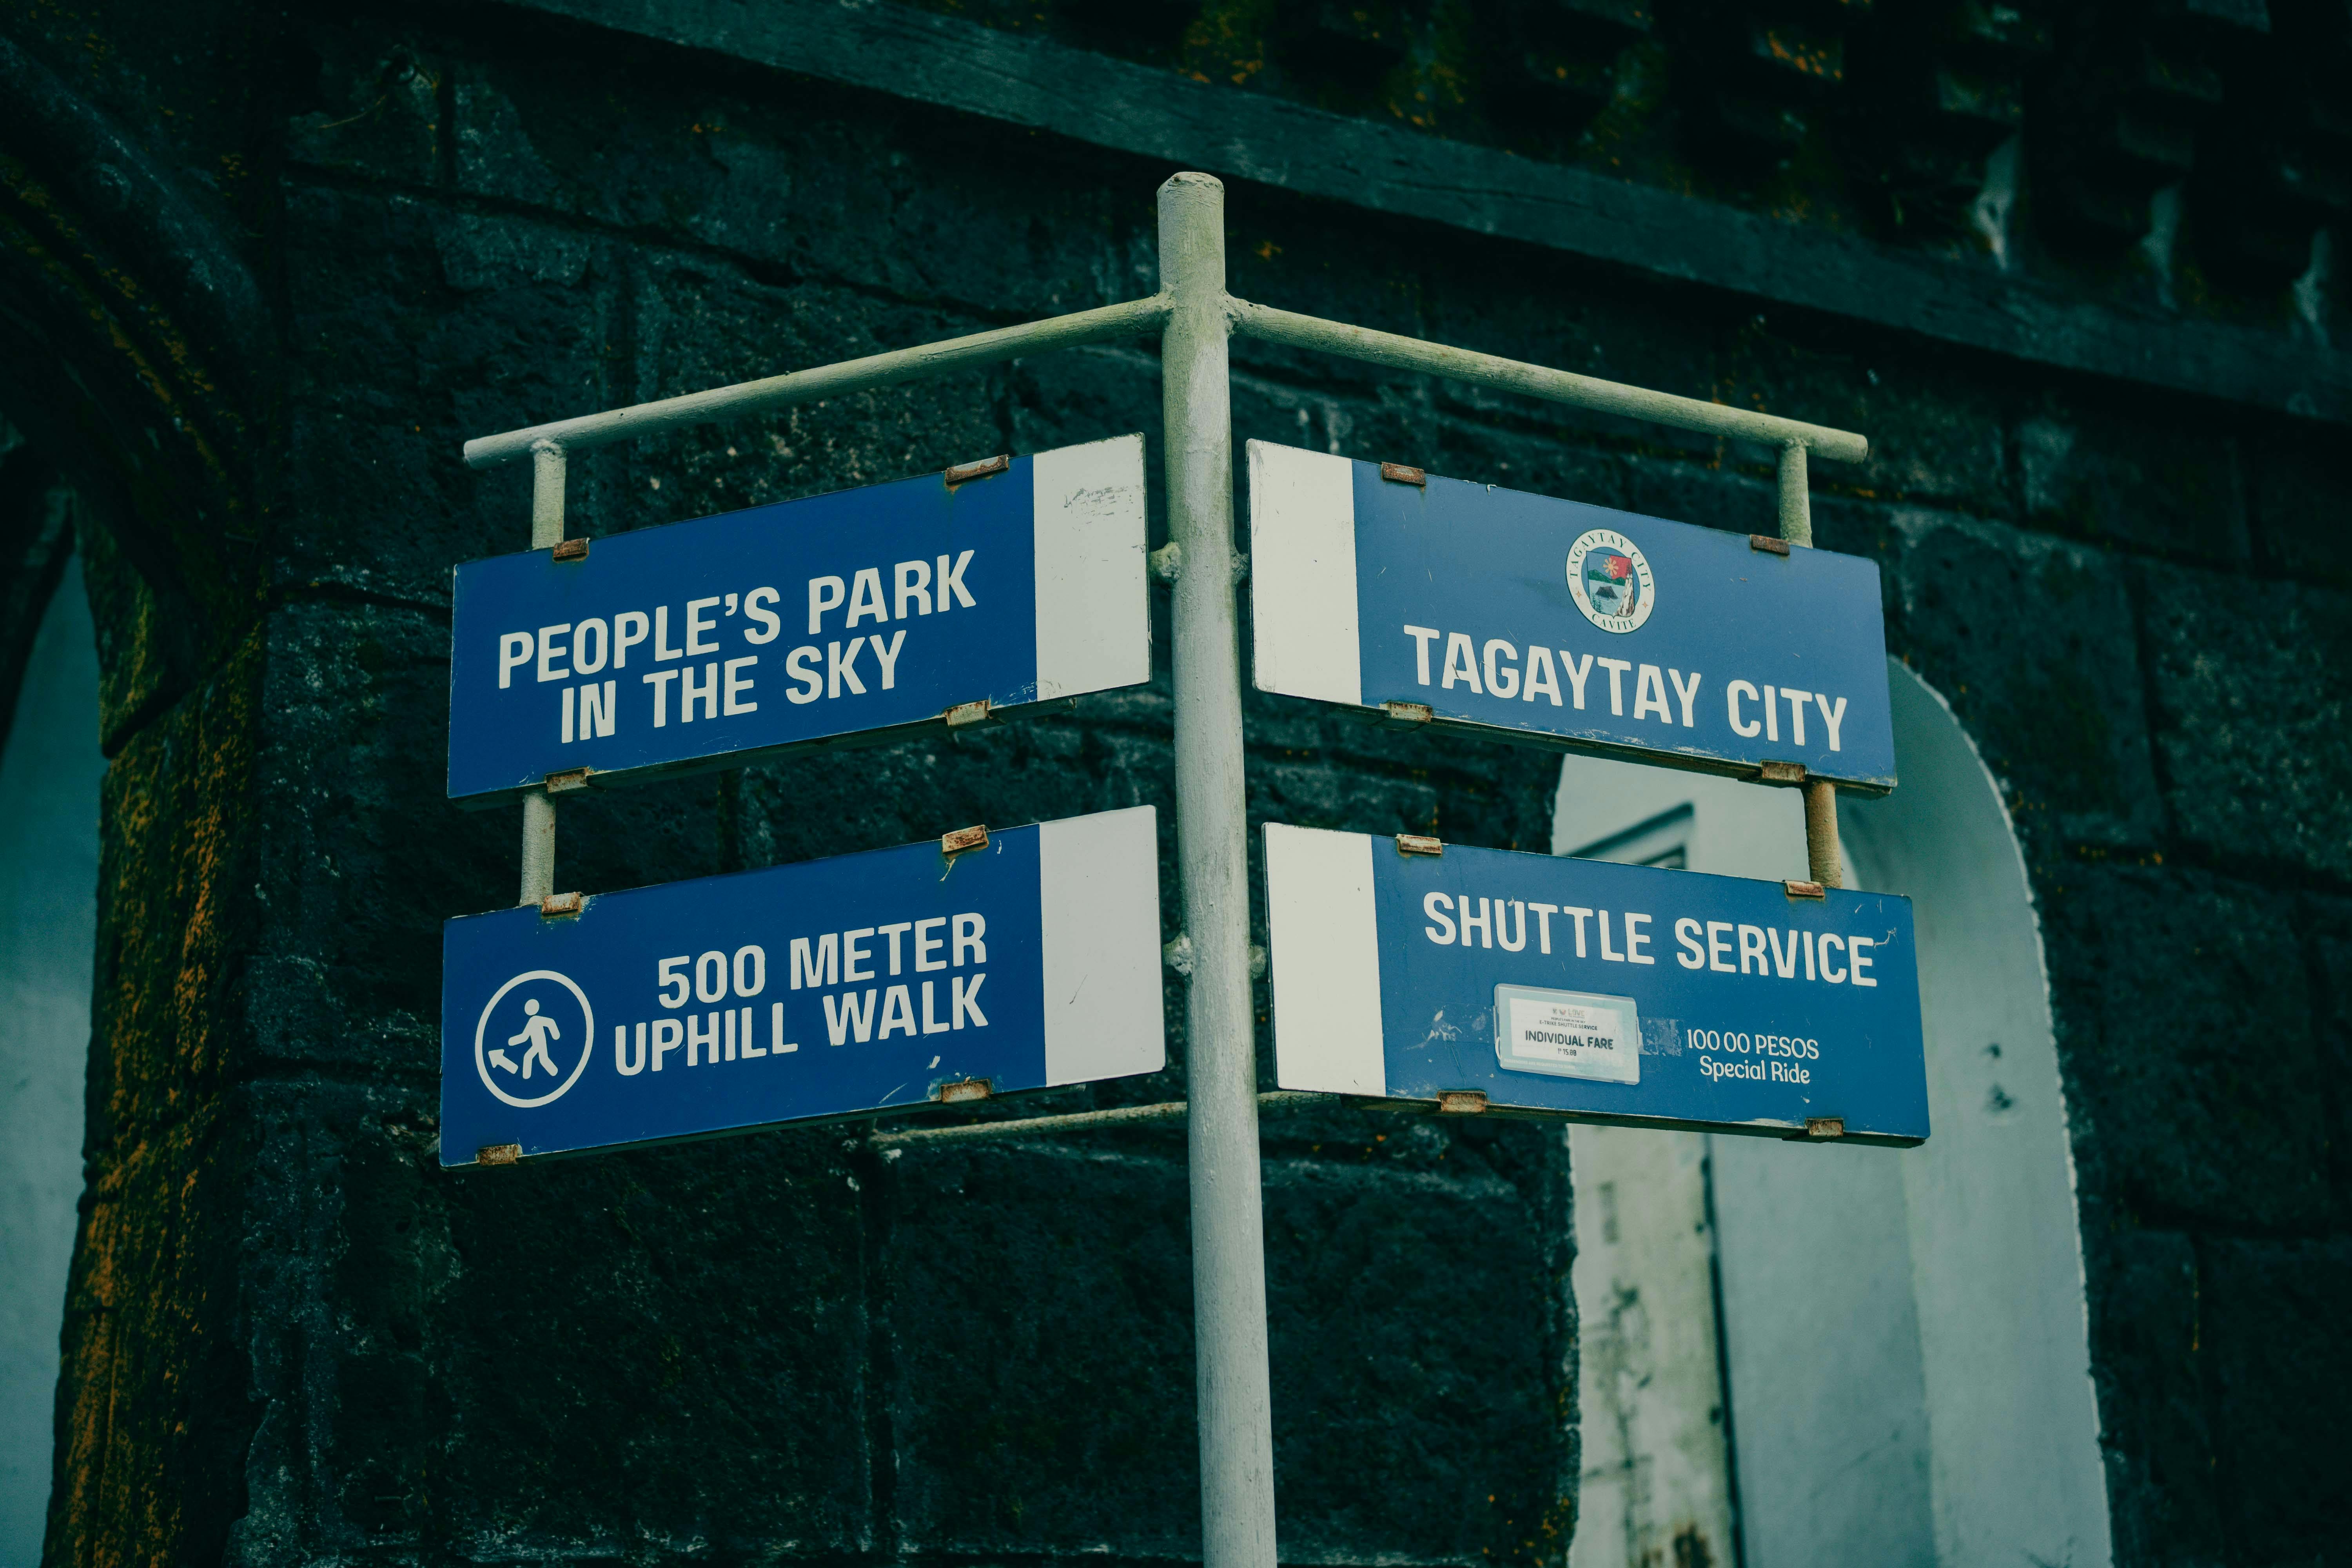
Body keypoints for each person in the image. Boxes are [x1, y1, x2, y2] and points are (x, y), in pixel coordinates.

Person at [505, 998, 562, 1079]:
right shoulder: (531, 1022)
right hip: (536, 1045)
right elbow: (525, 1037)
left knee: (542, 1059)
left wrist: (556, 1035)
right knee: (531, 1057)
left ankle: (555, 1073)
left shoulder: (536, 1019)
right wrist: (512, 1041)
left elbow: (551, 1022)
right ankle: (527, 1077)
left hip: (541, 1044)